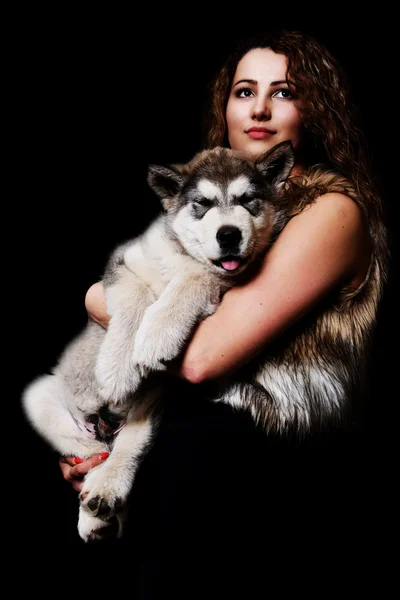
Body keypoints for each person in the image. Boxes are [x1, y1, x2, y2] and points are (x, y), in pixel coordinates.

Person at [57, 29, 389, 570]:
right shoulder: (212, 211)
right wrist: (98, 446)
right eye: (243, 91)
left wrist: (99, 299)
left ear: (315, 108)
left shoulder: (331, 210)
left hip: (252, 470)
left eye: (283, 91)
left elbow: (202, 358)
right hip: (171, 454)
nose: (258, 108)